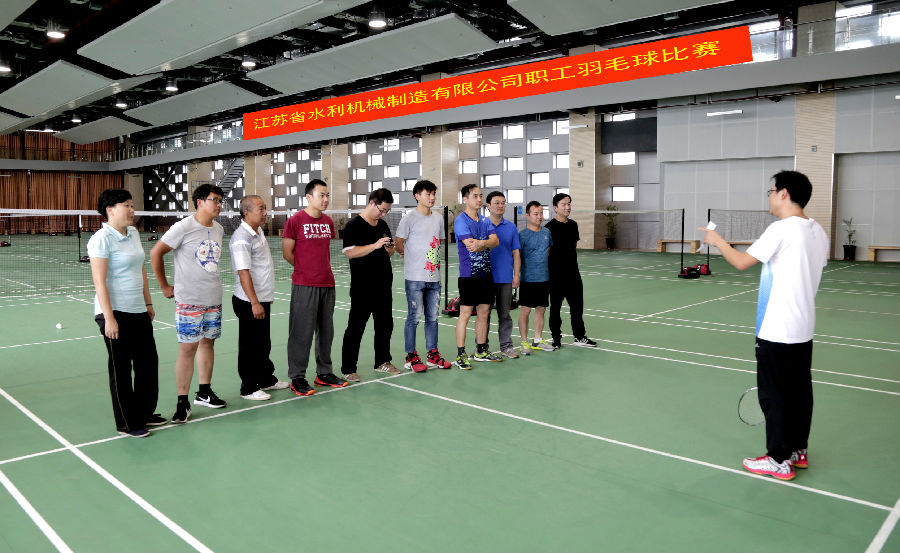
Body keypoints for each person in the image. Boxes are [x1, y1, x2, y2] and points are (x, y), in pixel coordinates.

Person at [699, 170, 827, 481]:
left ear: (784, 193)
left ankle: (778, 459)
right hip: (803, 328)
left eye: (771, 191)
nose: (769, 197)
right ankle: (797, 450)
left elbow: (741, 262)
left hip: (778, 328)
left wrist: (717, 241)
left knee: (775, 395)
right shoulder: (818, 232)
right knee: (799, 393)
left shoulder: (782, 229)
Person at [88, 189, 163, 438]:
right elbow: (99, 282)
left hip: (138, 308)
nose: (132, 210)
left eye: (132, 205)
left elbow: (141, 269)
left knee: (147, 364)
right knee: (121, 369)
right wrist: (109, 318)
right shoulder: (101, 239)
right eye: (126, 205)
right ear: (110, 209)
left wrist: (148, 302)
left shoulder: (133, 233)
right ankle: (127, 423)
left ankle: (144, 413)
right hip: (115, 312)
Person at [150, 183, 227, 424]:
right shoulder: (183, 227)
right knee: (187, 348)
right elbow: (155, 252)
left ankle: (204, 392)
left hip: (213, 298)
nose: (219, 205)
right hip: (189, 300)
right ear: (200, 202)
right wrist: (164, 286)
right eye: (214, 200)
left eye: (220, 201)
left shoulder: (219, 229)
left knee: (208, 344)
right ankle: (182, 402)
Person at [282, 179, 347, 395]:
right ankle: (297, 377)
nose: (326, 199)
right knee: (301, 332)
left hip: (327, 283)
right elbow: (287, 253)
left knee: (326, 332)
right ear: (309, 197)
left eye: (327, 195)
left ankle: (324, 373)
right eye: (322, 195)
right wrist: (305, 270)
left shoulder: (328, 222)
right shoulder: (295, 221)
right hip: (304, 285)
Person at [229, 195, 289, 400]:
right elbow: (243, 272)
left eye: (265, 208)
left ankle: (265, 378)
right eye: (261, 209)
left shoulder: (258, 231)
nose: (265, 213)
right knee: (249, 346)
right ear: (246, 213)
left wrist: (265, 296)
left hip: (261, 298)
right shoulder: (241, 238)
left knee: (263, 343)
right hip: (248, 301)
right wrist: (255, 302)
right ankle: (248, 387)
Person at [340, 188, 400, 382]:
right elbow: (350, 252)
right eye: (382, 210)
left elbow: (389, 252)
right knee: (356, 327)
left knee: (385, 325)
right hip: (362, 286)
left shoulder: (382, 224)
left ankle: (382, 361)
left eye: (387, 211)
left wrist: (389, 248)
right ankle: (348, 368)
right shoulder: (353, 225)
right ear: (372, 203)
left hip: (384, 284)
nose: (383, 215)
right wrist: (375, 245)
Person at [395, 180, 451, 373]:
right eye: (428, 193)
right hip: (415, 277)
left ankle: (432, 354)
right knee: (414, 317)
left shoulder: (438, 219)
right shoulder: (409, 218)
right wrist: (405, 255)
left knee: (433, 318)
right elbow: (398, 241)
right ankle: (410, 356)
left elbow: (439, 241)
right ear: (417, 196)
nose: (432, 197)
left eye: (434, 193)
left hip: (434, 277)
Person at [453, 184, 500, 368]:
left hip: (486, 274)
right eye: (475, 196)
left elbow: (495, 241)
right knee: (465, 314)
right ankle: (460, 355)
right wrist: (485, 243)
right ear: (465, 199)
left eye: (481, 196)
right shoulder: (461, 221)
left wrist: (482, 243)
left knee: (484, 312)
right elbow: (470, 245)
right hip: (468, 275)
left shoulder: (485, 220)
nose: (479, 199)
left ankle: (481, 350)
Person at [545, 193, 596, 349]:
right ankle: (556, 338)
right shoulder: (548, 228)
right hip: (555, 276)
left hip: (573, 275)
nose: (567, 207)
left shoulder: (573, 225)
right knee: (555, 309)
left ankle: (579, 337)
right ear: (555, 208)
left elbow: (572, 247)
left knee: (577, 307)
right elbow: (547, 252)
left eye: (569, 204)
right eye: (564, 204)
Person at [485, 191, 521, 359]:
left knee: (505, 314)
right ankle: (482, 347)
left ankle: (506, 347)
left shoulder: (511, 227)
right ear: (488, 206)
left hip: (505, 277)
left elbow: (516, 253)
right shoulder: (482, 224)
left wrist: (516, 275)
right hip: (485, 278)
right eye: (497, 202)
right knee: (484, 314)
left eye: (503, 202)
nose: (500, 206)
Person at [517, 201, 555, 355]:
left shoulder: (547, 232)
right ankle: (524, 342)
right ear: (527, 215)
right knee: (525, 310)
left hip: (544, 278)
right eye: (536, 214)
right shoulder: (522, 235)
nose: (539, 217)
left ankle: (538, 340)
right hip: (528, 279)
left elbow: (548, 251)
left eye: (541, 213)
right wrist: (517, 276)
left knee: (541, 309)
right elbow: (517, 257)